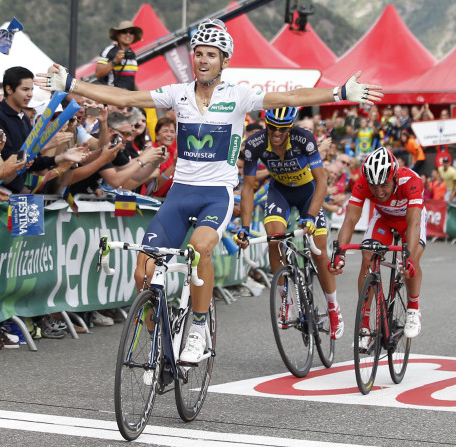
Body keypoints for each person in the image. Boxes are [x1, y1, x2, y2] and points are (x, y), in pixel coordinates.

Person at [35, 18, 382, 363]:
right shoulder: (178, 94)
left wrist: (339, 93)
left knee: (201, 248)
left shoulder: (239, 96)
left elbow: (291, 95)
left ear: (224, 61)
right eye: (198, 54)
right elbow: (124, 95)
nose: (202, 60)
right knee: (143, 270)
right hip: (180, 194)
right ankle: (162, 336)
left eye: (211, 55)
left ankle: (198, 328)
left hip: (215, 194)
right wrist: (72, 84)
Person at [236, 107, 343, 339]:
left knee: (319, 250)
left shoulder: (304, 138)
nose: (277, 133)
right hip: (280, 192)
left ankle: (333, 308)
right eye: (272, 127)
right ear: (266, 124)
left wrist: (312, 216)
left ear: (291, 127)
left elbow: (322, 182)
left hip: (308, 192)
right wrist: (244, 228)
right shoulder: (254, 144)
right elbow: (247, 188)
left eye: (283, 129)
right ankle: (287, 301)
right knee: (275, 239)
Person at [328, 147, 426, 339]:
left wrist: (410, 260)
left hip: (409, 220)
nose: (379, 192)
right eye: (374, 186)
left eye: (384, 185)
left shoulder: (411, 181)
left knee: (412, 258)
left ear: (394, 177)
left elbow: (414, 223)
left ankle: (413, 309)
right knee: (368, 256)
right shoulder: (363, 182)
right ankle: (364, 323)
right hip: (384, 218)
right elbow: (350, 220)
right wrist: (339, 253)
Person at [96, 20, 143, 91]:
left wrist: (141, 94)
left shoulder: (132, 54)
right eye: (124, 31)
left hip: (128, 98)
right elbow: (98, 73)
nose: (128, 34)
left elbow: (130, 78)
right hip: (112, 96)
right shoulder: (109, 51)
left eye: (131, 32)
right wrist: (115, 62)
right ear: (118, 35)